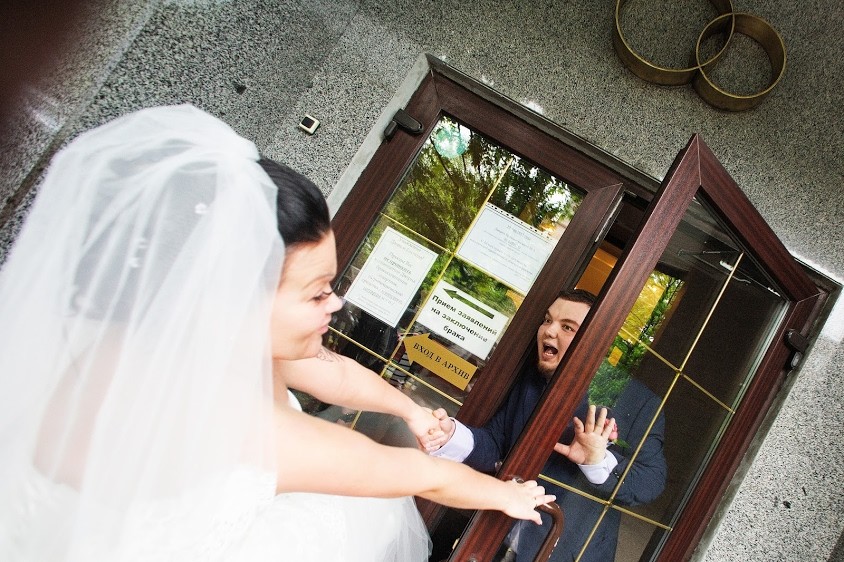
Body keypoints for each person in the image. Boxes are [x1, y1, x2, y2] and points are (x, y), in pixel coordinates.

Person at [0, 104, 554, 562]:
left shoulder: (127, 341)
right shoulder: (229, 421)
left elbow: (335, 374)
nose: (337, 303)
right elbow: (410, 473)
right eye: (316, 293)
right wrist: (503, 494)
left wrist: (409, 411)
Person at [426, 289, 667, 561]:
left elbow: (650, 482)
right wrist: (451, 435)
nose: (549, 331)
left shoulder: (636, 401)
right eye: (547, 320)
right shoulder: (530, 379)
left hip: (564, 551)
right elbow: (496, 443)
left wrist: (597, 461)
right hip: (491, 533)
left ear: (597, 341)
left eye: (567, 327)